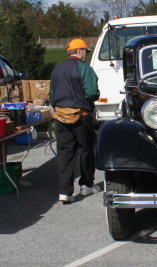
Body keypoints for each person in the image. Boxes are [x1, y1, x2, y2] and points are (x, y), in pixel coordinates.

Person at [50, 38, 100, 204]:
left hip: (61, 117)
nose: (86, 54)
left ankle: (65, 192)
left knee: (65, 153)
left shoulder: (56, 70)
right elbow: (92, 92)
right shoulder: (85, 69)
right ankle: (86, 185)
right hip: (82, 116)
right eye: (85, 51)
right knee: (86, 150)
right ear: (79, 51)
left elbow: (52, 96)